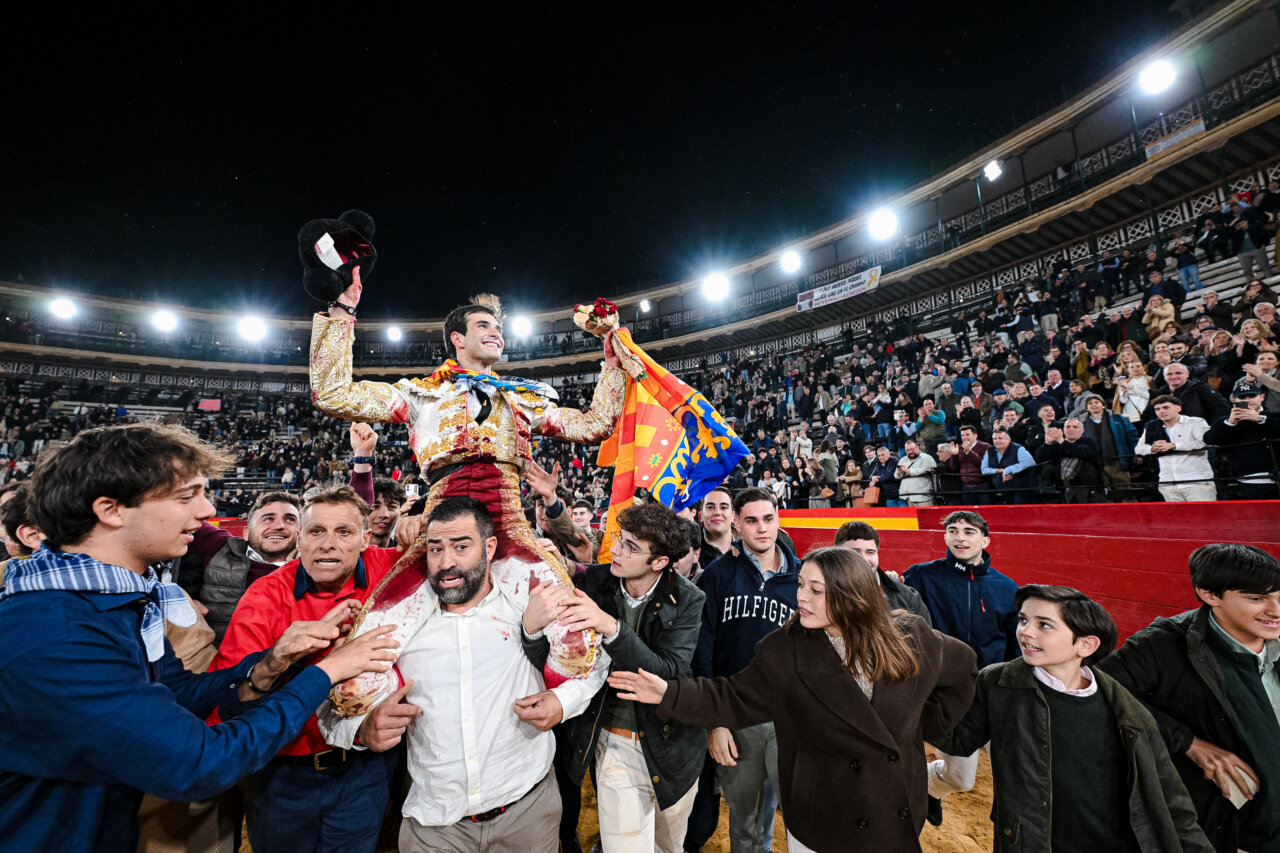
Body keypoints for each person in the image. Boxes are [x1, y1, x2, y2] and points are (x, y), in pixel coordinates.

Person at [0, 423, 398, 853]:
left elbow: (179, 694)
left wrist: (270, 663)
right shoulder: (57, 634)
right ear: (111, 509)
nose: (207, 510)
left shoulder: (114, 603)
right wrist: (324, 671)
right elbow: (200, 763)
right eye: (186, 495)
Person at [312, 281, 626, 704]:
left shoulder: (524, 399)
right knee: (355, 681)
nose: (496, 332)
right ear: (457, 339)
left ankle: (546, 721)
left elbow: (594, 426)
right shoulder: (422, 394)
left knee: (578, 645)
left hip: (508, 528)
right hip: (442, 534)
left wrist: (612, 361)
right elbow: (332, 393)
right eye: (484, 325)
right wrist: (341, 309)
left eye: (498, 326)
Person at [608, 546, 977, 852]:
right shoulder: (784, 650)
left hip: (893, 812)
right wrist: (669, 693)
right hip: (820, 821)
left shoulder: (912, 636)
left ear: (851, 594)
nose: (800, 597)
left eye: (815, 590)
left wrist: (926, 724)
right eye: (801, 585)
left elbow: (964, 668)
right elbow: (731, 697)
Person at [319, 498, 606, 853]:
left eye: (461, 546)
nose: (446, 562)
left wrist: (563, 702)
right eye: (436, 548)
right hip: (435, 825)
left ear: (489, 547)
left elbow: (595, 664)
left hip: (528, 812)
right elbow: (330, 708)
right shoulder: (396, 625)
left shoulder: (529, 605)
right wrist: (362, 730)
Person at [210, 485, 418, 853]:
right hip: (284, 776)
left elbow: (464, 543)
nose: (328, 544)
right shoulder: (264, 596)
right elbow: (227, 704)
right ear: (300, 539)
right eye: (316, 531)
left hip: (365, 769)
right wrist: (285, 661)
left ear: (366, 539)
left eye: (344, 532)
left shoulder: (391, 568)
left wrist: (424, 524)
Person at [936, 585, 1212, 852]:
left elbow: (1171, 800)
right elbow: (957, 741)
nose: (1025, 632)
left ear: (1086, 645)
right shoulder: (998, 682)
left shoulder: (1128, 709)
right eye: (1023, 619)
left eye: (1044, 624)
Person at [536, 504, 705, 853]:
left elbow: (667, 673)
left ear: (659, 562)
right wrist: (557, 563)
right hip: (614, 739)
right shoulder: (597, 581)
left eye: (631, 546)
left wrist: (610, 626)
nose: (615, 549)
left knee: (668, 847)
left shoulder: (690, 599)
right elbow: (572, 576)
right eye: (619, 539)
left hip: (675, 748)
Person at [1097, 544, 1280, 853]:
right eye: (1256, 598)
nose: (1276, 610)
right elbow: (1096, 693)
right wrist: (1189, 743)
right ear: (1209, 595)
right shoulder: (1161, 645)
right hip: (1233, 835)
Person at [692, 487, 799, 853]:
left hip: (794, 717)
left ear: (778, 519)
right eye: (751, 521)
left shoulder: (803, 580)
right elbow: (702, 657)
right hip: (739, 718)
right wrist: (715, 721)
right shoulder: (716, 577)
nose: (762, 529)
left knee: (807, 817)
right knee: (747, 825)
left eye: (768, 519)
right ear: (737, 523)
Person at [905, 511, 1020, 807]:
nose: (960, 537)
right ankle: (924, 787)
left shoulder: (1008, 589)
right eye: (953, 530)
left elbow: (1015, 644)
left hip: (995, 695)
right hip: (948, 697)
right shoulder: (920, 576)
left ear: (985, 540)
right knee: (960, 778)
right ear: (945, 537)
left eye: (969, 531)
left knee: (1017, 770)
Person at [185, 489, 303, 642]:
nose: (279, 525)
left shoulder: (313, 572)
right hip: (213, 658)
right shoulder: (220, 547)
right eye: (268, 519)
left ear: (301, 534)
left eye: (290, 519)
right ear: (246, 532)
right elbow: (180, 512)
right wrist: (178, 597)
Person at [832, 520, 930, 623]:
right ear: (836, 554)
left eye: (870, 552)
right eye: (854, 552)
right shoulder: (821, 593)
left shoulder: (907, 596)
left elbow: (925, 637)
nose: (864, 559)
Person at [1204, 379, 1280, 499]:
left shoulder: (1275, 415)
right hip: (1249, 479)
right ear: (1235, 401)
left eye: (1252, 396)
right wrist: (1230, 423)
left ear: (1262, 397)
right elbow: (1210, 439)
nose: (1247, 400)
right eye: (1242, 398)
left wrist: (1260, 419)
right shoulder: (1225, 421)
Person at [1135, 395, 1216, 502]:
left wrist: (1174, 446)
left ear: (1178, 408)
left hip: (1196, 481)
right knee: (1178, 518)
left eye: (1166, 407)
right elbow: (1139, 449)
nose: (1161, 411)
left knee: (1204, 517)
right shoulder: (1152, 427)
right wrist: (1153, 448)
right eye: (1157, 409)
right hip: (1167, 483)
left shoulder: (1195, 422)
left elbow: (1205, 443)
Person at [981, 427, 1037, 504]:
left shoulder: (1019, 449)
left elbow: (1029, 463)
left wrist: (1008, 470)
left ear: (1009, 439)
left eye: (1000, 438)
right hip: (1003, 491)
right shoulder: (989, 451)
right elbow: (984, 470)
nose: (997, 441)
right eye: (995, 439)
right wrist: (1000, 471)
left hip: (1022, 490)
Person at [947, 425, 993, 503]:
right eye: (962, 435)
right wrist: (954, 455)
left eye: (967, 434)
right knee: (968, 513)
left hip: (983, 488)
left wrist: (969, 452)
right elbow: (954, 468)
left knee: (985, 513)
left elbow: (984, 465)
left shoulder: (985, 447)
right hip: (966, 489)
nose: (964, 437)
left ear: (975, 436)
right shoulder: (960, 449)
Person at [894, 439, 937, 506]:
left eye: (912, 449)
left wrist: (909, 471)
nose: (910, 452)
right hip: (908, 497)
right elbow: (895, 476)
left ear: (917, 447)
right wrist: (898, 473)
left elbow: (927, 470)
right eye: (907, 450)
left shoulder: (927, 458)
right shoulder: (902, 460)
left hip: (923, 497)